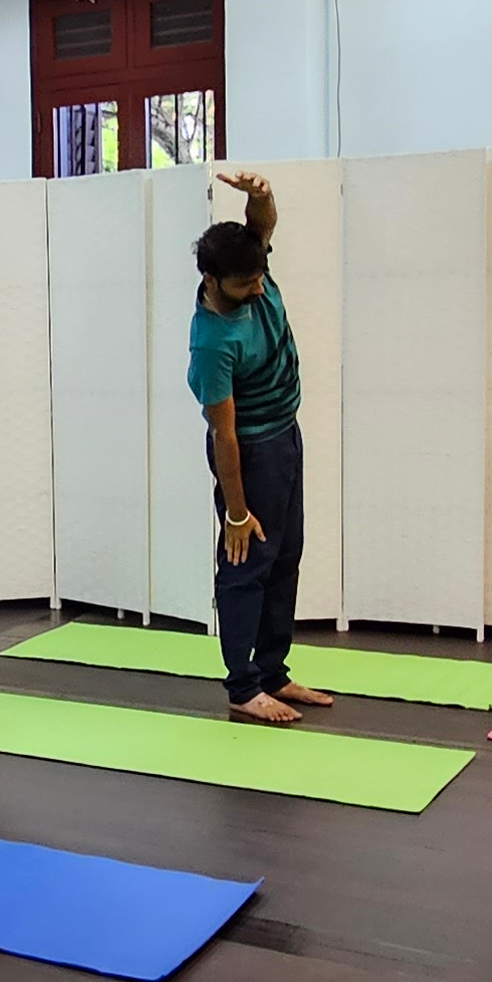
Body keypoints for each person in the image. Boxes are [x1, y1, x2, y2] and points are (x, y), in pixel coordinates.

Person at [188, 170, 334, 726]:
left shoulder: (249, 267)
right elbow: (224, 434)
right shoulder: (212, 342)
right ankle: (243, 686)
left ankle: (273, 670)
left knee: (286, 555)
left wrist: (260, 195)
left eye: (258, 277)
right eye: (244, 284)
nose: (257, 288)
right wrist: (236, 510)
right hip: (249, 454)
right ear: (213, 279)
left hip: (286, 436)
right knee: (246, 562)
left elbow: (261, 226)